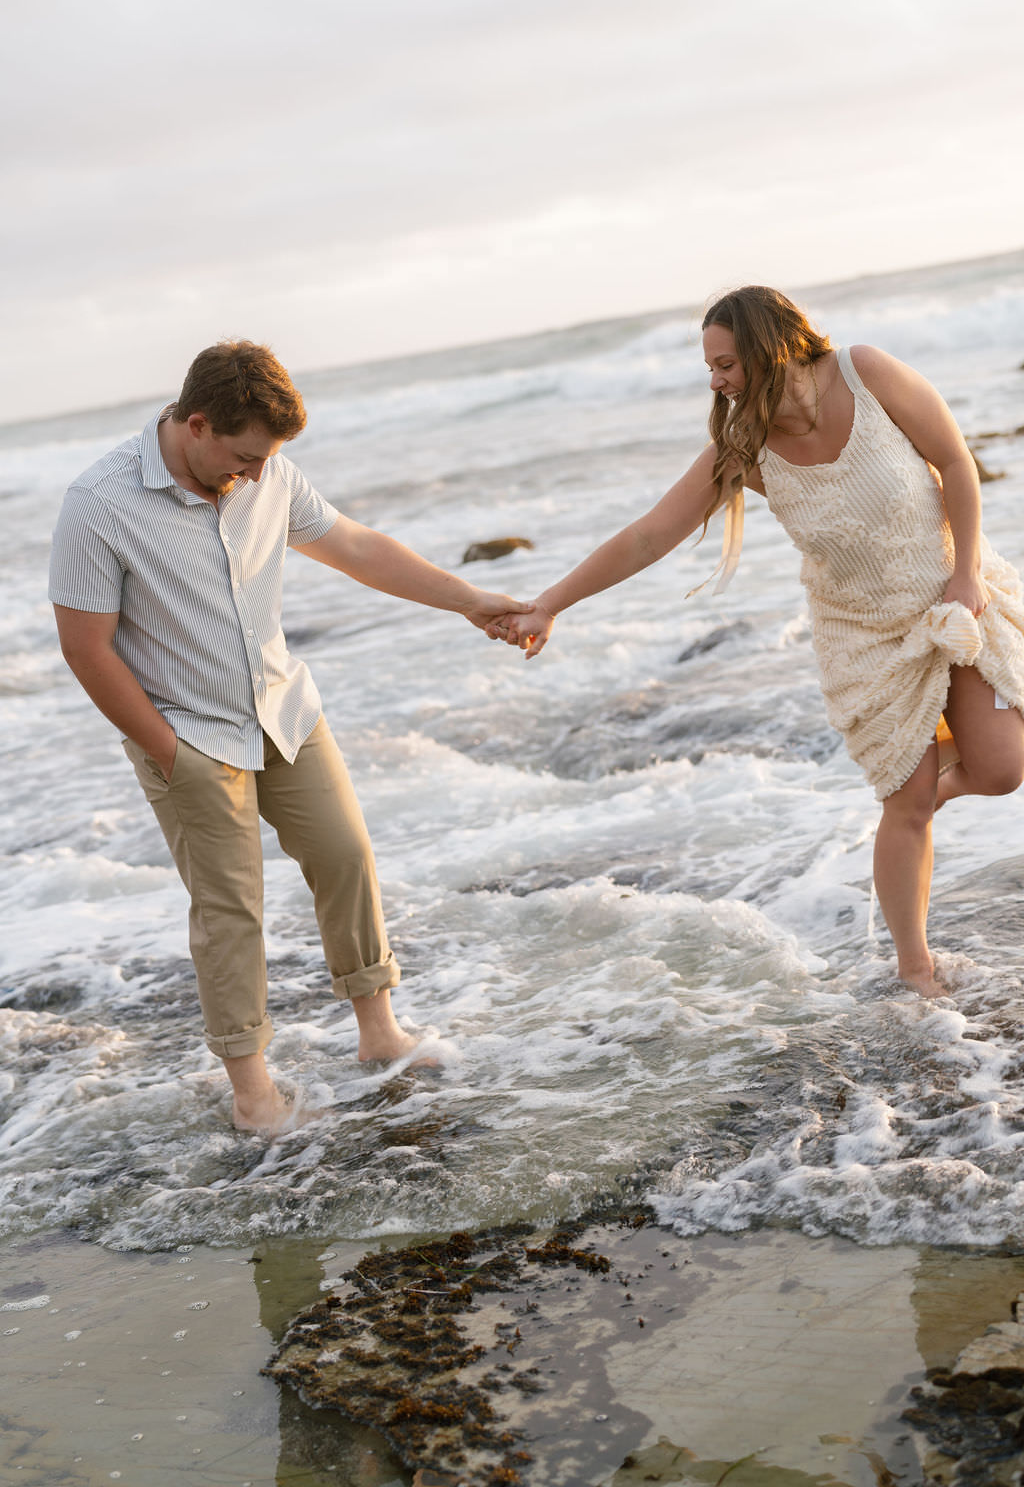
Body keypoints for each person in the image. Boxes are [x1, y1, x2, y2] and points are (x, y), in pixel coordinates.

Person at [487, 286, 1024, 997]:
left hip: (956, 596)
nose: (716, 381)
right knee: (907, 805)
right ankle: (915, 968)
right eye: (711, 368)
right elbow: (650, 534)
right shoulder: (745, 447)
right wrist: (550, 603)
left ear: (771, 348)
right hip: (862, 634)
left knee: (1003, 769)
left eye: (726, 364)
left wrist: (964, 578)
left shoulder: (868, 373)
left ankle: (930, 785)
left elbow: (957, 463)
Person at [49, 340, 530, 1132]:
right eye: (243, 457)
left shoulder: (262, 469)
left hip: (284, 710)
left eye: (268, 459)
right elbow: (86, 649)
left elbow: (356, 547)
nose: (257, 474)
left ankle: (380, 1035)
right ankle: (251, 1093)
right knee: (231, 908)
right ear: (196, 424)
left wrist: (468, 600)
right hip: (188, 733)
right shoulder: (98, 503)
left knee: (346, 854)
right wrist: (171, 755)